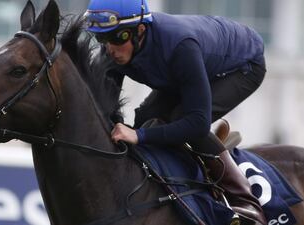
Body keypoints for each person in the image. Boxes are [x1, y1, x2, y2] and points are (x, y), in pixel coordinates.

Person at [84, 0, 267, 224]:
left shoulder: (181, 46)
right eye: (101, 38)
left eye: (116, 37)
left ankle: (244, 202)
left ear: (140, 30)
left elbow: (197, 123)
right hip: (188, 68)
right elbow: (107, 108)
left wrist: (139, 136)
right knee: (144, 119)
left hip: (241, 67)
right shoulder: (114, 50)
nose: (110, 48)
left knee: (181, 123)